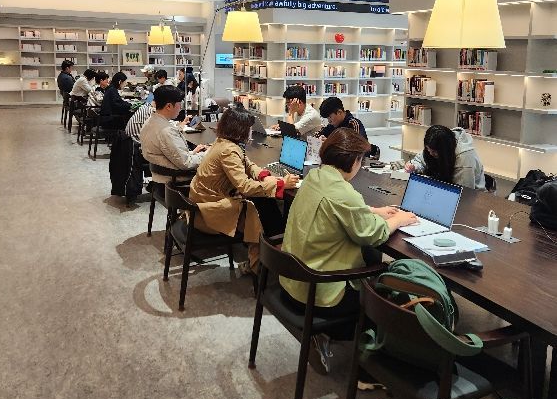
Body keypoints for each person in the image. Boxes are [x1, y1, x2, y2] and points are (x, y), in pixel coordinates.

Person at [280, 128, 417, 372]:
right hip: (318, 292)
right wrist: (399, 219)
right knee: (385, 291)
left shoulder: (314, 176)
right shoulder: (343, 193)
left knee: (369, 259)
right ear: (354, 161)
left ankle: (331, 334)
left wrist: (372, 211)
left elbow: (338, 208)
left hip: (293, 280)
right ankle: (369, 369)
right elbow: (373, 234)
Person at [189, 107, 299, 274]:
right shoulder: (229, 150)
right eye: (249, 128)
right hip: (208, 210)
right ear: (240, 130)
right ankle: (270, 256)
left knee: (263, 202)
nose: (251, 132)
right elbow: (245, 187)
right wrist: (280, 184)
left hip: (203, 202)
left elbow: (248, 164)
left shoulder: (224, 142)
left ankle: (271, 251)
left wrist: (263, 175)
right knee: (261, 206)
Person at [139, 85, 207, 183]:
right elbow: (186, 163)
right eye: (180, 104)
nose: (180, 108)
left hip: (161, 176)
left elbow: (170, 155)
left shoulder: (150, 122)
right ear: (169, 106)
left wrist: (193, 153)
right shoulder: (166, 131)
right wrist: (209, 153)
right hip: (175, 179)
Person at [405, 124, 486, 190]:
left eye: (434, 152)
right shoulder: (439, 142)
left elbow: (463, 193)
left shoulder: (464, 159)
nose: (430, 154)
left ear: (444, 150)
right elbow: (420, 160)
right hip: (442, 186)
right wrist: (414, 166)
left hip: (473, 197)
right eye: (428, 150)